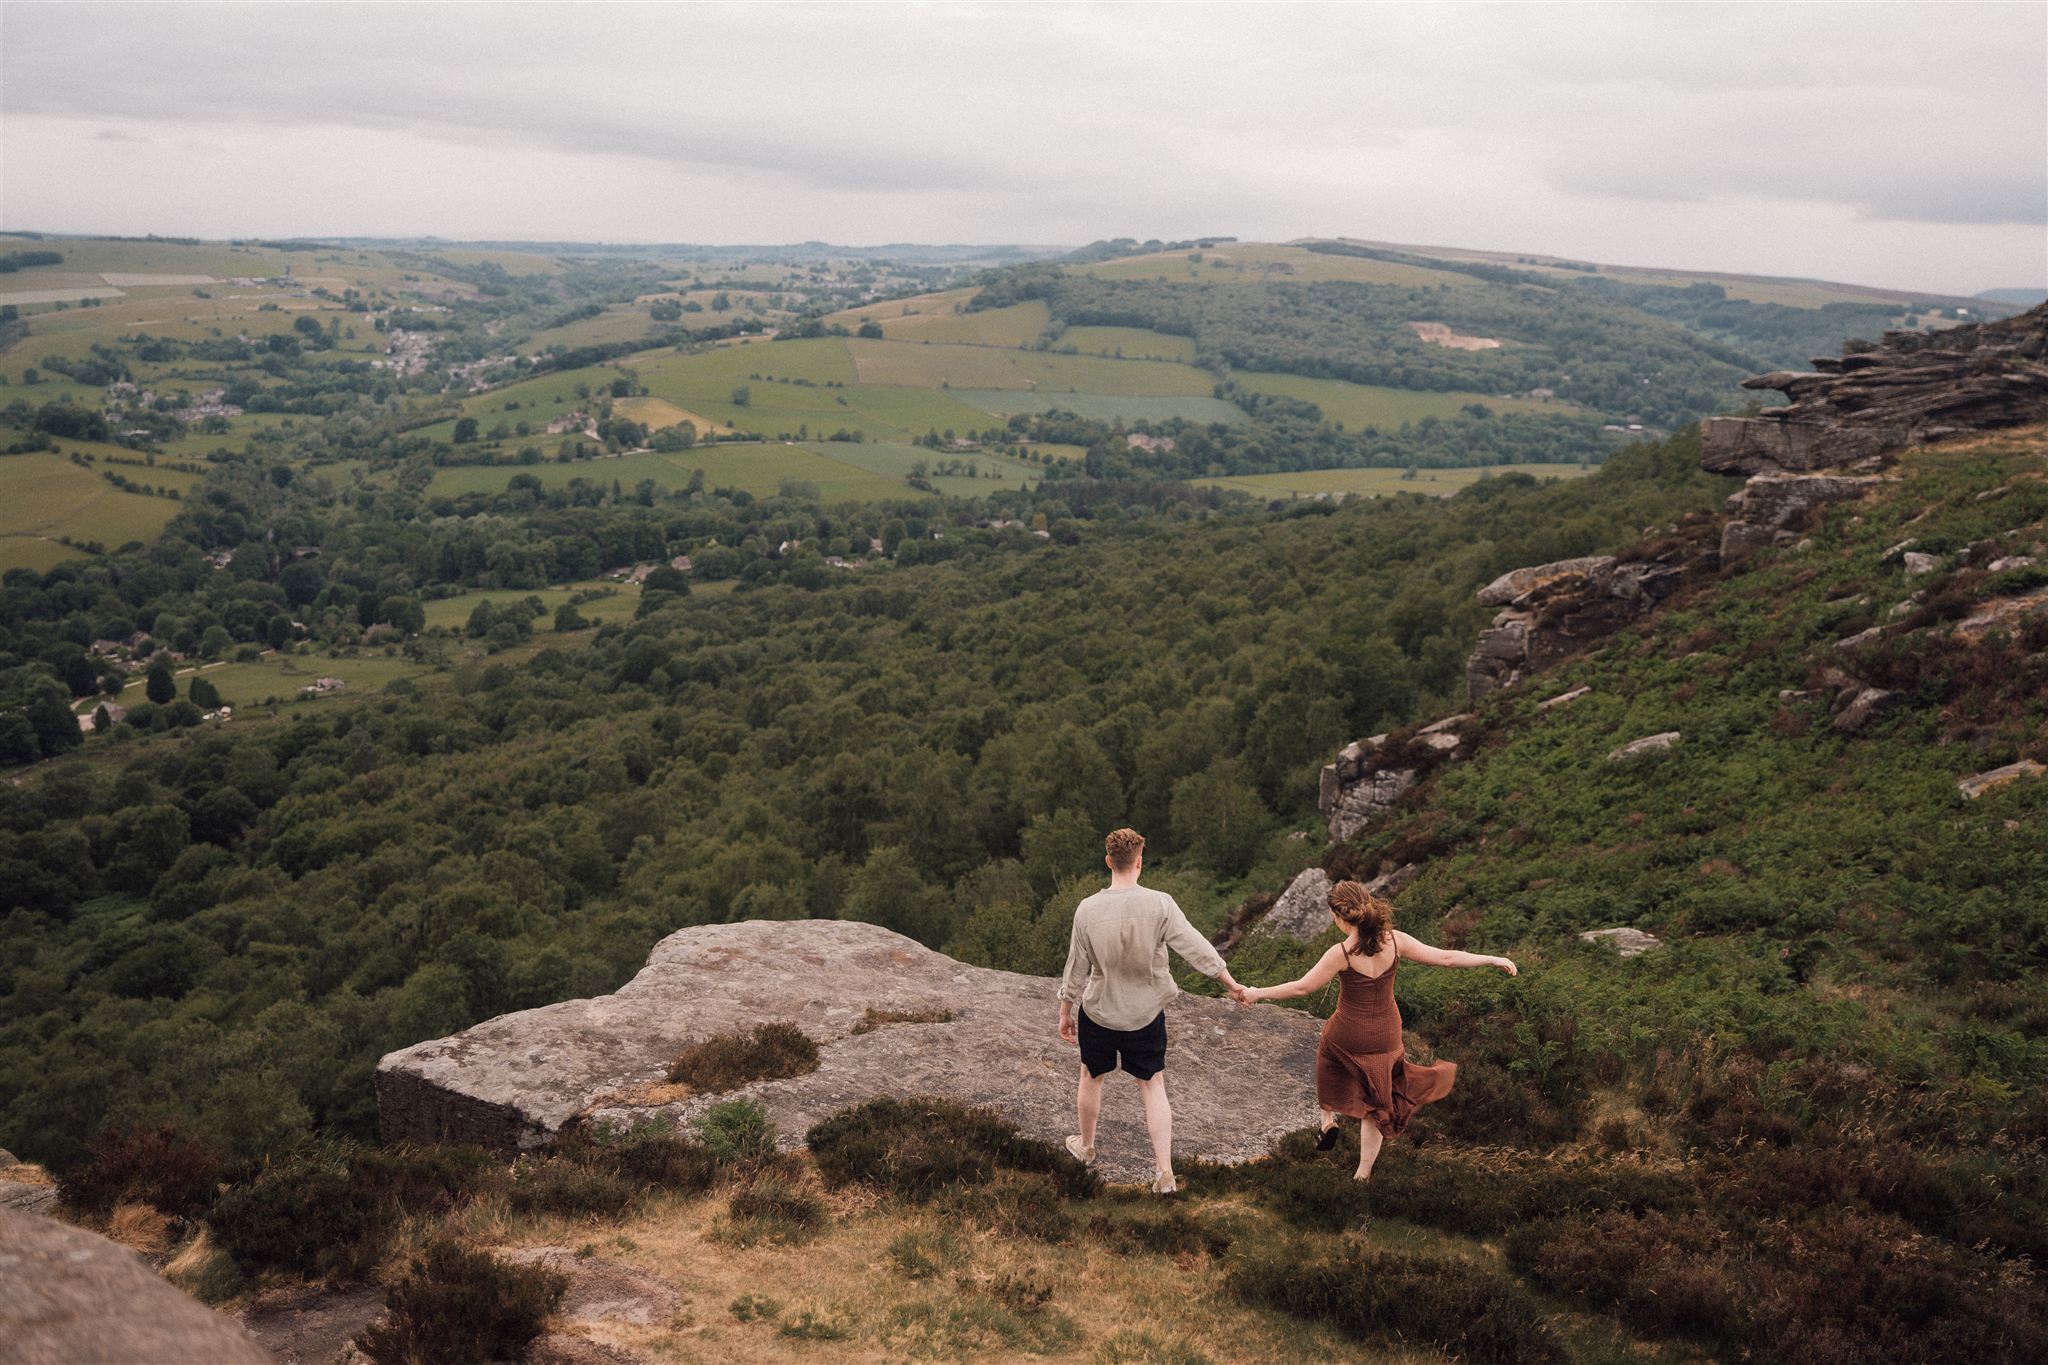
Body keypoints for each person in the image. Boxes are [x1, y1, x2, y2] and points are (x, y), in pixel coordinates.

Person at [1236, 879, 1516, 1181]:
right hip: (1387, 1035)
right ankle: (1363, 1173)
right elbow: (1446, 958)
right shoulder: (1395, 941)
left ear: (1340, 917)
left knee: (1328, 1053)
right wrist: (1492, 958)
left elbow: (1303, 988)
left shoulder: (1341, 953)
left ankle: (1327, 1118)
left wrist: (1257, 992)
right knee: (1378, 1097)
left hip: (1348, 1032)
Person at [1058, 826, 1246, 1194]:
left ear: (1109, 862)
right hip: (1145, 1013)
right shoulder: (1160, 903)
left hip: (1098, 1011)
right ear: (1139, 862)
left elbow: (1076, 966)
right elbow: (1195, 947)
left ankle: (1086, 1146)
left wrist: (1066, 1009)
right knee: (1152, 1083)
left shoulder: (1087, 910)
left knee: (1090, 1077)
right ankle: (1164, 1172)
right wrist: (1231, 983)